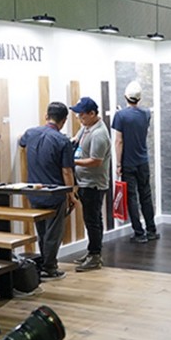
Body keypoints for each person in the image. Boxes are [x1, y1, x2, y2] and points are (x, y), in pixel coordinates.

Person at [19, 102, 78, 281]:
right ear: (64, 120)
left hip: (34, 193)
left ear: (46, 116)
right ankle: (49, 268)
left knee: (42, 231)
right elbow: (67, 171)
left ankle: (44, 264)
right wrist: (71, 194)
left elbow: (21, 142)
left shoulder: (31, 133)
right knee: (53, 233)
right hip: (55, 193)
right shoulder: (63, 141)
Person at [111, 81, 159, 244]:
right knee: (146, 195)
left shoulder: (120, 116)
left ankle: (139, 232)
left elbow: (119, 141)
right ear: (139, 98)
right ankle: (151, 230)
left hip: (128, 163)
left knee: (132, 197)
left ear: (125, 96)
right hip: (143, 161)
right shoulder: (146, 113)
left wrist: (118, 164)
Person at [70, 97, 111, 272]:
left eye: (82, 115)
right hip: (84, 182)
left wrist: (72, 162)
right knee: (91, 219)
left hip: (93, 184)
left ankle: (95, 255)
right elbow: (76, 140)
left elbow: (96, 161)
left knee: (92, 220)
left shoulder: (99, 134)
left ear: (92, 113)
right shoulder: (86, 127)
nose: (79, 118)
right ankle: (92, 251)